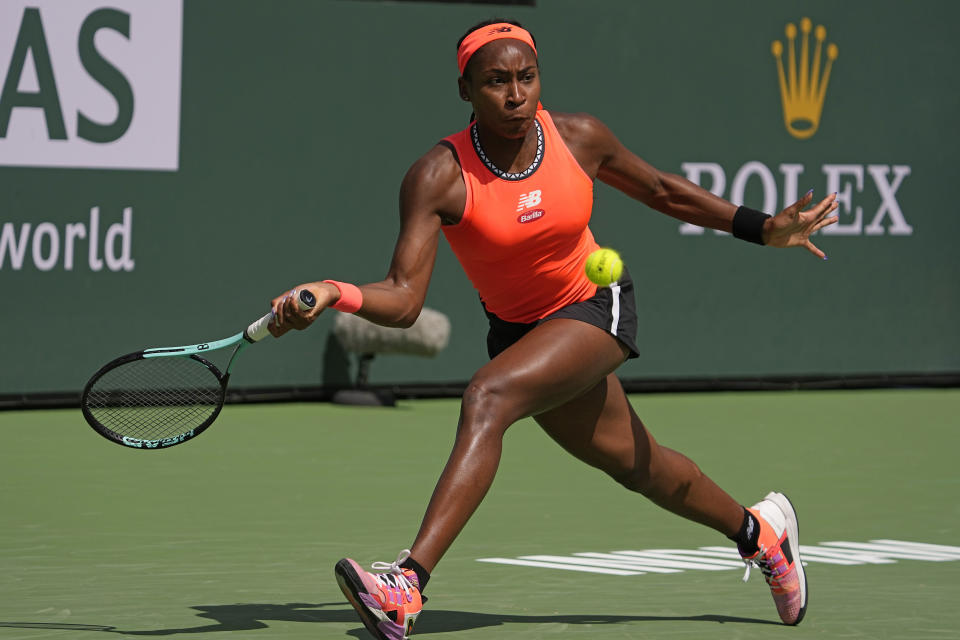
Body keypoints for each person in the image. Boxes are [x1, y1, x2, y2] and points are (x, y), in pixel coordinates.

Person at [269, 18, 838, 640]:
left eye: (526, 77)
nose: (515, 95)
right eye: (495, 82)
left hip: (595, 308)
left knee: (486, 398)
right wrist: (333, 292)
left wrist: (762, 228)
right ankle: (762, 535)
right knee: (641, 467)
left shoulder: (578, 137)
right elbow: (404, 299)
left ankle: (407, 586)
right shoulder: (437, 175)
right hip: (521, 336)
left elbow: (662, 191)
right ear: (466, 91)